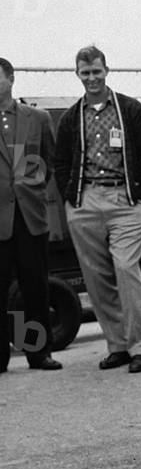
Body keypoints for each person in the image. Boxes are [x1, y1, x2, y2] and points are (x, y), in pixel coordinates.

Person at [54, 45, 141, 373]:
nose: (92, 78)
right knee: (97, 279)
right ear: (78, 75)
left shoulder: (130, 109)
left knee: (126, 270)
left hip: (124, 202)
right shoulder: (72, 117)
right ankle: (118, 346)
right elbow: (60, 162)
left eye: (96, 71)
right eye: (85, 73)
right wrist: (71, 198)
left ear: (106, 70)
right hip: (85, 203)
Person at [0, 58, 62, 374]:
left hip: (29, 218)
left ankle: (38, 354)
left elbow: (47, 161)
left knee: (34, 289)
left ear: (11, 79)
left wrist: (29, 187)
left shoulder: (37, 119)